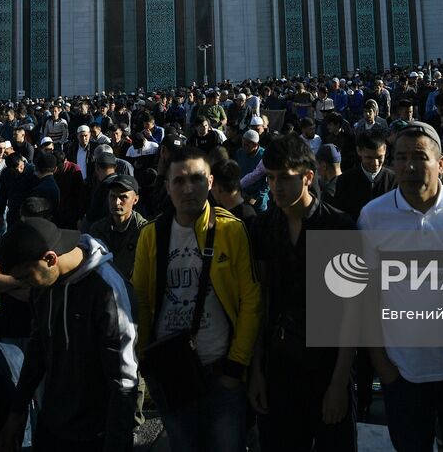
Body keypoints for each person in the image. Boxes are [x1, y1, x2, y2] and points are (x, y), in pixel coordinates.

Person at [358, 122, 443, 452]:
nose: (408, 166)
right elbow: (367, 295)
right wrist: (382, 364)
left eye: (419, 157)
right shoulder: (374, 216)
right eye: (400, 158)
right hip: (404, 375)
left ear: (442, 163)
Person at [131, 145, 262, 452]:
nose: (188, 188)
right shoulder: (152, 235)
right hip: (171, 370)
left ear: (211, 182)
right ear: (168, 186)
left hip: (221, 370)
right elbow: (142, 301)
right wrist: (144, 359)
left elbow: (250, 301)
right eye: (179, 181)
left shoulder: (231, 230)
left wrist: (236, 366)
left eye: (197, 179)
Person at [248, 135, 357, 452]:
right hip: (278, 368)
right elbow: (260, 302)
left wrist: (338, 383)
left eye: (284, 178)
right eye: (270, 178)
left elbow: (353, 310)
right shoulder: (264, 228)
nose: (275, 186)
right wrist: (256, 371)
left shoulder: (338, 227)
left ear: (308, 177)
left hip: (326, 366)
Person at [0, 219, 138, 452]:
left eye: (25, 277)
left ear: (50, 258)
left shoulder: (107, 289)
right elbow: (38, 350)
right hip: (52, 425)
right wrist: (16, 413)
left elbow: (123, 381)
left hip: (96, 433)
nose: (22, 285)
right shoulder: (42, 288)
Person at [86, 174, 148, 285]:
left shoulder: (144, 232)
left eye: (123, 197)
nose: (116, 202)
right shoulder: (97, 229)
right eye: (112, 196)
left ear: (135, 200)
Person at [335, 132, 396, 221]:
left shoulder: (395, 180)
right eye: (369, 158)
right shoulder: (344, 181)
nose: (375, 163)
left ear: (385, 149)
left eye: (379, 157)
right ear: (359, 151)